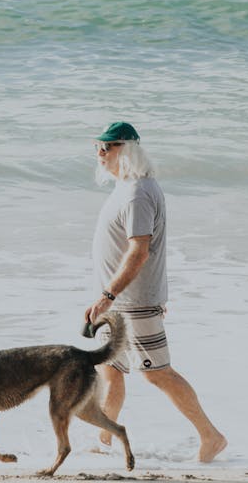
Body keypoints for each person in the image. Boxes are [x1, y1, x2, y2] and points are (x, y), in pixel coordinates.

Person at [84, 121, 227, 463]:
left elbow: (139, 251)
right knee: (111, 370)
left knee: (156, 372)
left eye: (109, 146)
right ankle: (103, 440)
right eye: (97, 146)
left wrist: (108, 294)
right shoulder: (126, 188)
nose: (100, 153)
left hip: (132, 301)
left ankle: (211, 437)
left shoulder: (138, 193)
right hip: (119, 302)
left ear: (129, 149)